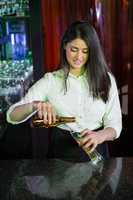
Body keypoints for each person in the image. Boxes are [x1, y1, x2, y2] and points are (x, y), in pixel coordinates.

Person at [6, 21, 122, 162]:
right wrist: (35, 105)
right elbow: (12, 115)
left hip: (97, 154)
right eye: (74, 49)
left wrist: (99, 136)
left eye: (85, 51)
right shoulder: (51, 81)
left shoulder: (106, 79)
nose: (79, 57)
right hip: (61, 156)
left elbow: (115, 124)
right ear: (65, 46)